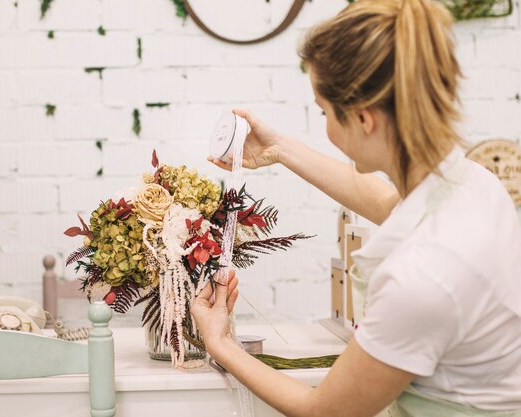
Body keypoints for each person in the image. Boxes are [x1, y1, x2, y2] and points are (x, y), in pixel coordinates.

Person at [190, 0, 521, 416]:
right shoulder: (473, 184)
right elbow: (387, 203)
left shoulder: (423, 278)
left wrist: (220, 343)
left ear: (364, 118)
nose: (325, 123)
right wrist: (279, 150)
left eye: (325, 112)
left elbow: (326, 412)